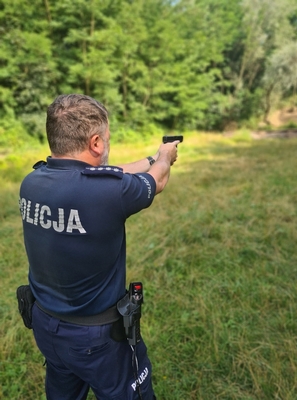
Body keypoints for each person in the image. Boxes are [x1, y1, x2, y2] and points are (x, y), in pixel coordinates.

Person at [19, 94, 179, 400]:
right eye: (105, 139)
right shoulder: (109, 193)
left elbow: (98, 175)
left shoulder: (33, 180)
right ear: (96, 143)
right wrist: (162, 156)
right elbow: (156, 181)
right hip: (98, 337)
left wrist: (147, 158)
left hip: (46, 325)